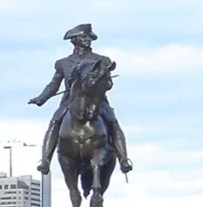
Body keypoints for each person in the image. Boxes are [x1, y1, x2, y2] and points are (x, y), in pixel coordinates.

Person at [28, 23, 132, 176]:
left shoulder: (102, 60)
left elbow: (109, 84)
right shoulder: (63, 63)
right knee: (55, 121)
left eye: (89, 37)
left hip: (97, 100)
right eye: (84, 37)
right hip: (71, 101)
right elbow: (53, 85)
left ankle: (124, 159)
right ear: (74, 40)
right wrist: (40, 99)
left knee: (113, 122)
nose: (88, 40)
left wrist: (103, 83)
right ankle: (45, 160)